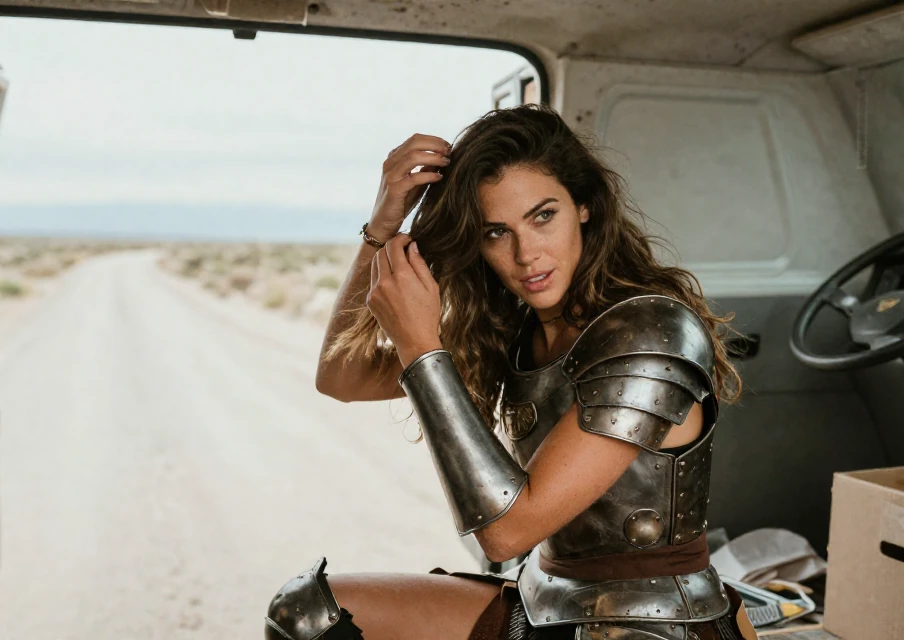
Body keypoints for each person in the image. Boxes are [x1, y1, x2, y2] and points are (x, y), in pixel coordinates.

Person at [265, 104, 757, 640]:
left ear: (585, 207)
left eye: (543, 216)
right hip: (546, 595)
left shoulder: (651, 330)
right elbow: (340, 375)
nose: (526, 254)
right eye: (496, 232)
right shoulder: (511, 331)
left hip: (653, 618)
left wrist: (421, 345)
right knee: (305, 611)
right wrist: (382, 228)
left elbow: (506, 535)